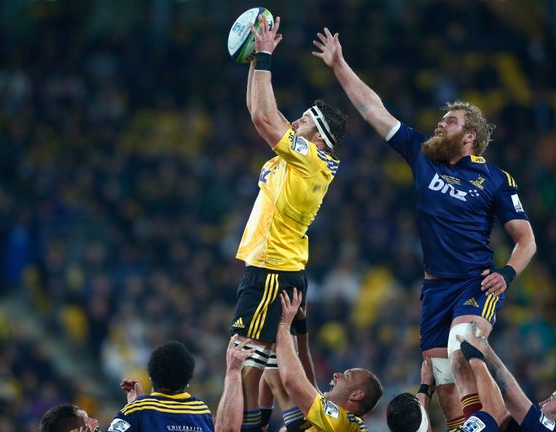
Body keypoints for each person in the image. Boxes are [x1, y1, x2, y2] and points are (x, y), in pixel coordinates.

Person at [312, 27, 537, 429]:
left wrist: (506, 274)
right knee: (446, 383)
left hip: (473, 281)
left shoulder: (497, 180)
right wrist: (339, 65)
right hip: (435, 288)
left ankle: (496, 424)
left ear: (470, 137)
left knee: (463, 347)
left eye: (449, 121)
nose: (439, 123)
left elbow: (526, 240)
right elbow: (372, 110)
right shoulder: (422, 155)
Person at [230, 14, 347, 432]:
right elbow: (258, 110)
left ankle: (245, 428)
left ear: (320, 137)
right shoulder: (302, 157)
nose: (295, 120)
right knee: (266, 365)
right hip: (283, 267)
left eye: (305, 121)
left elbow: (266, 119)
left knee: (243, 359)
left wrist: (263, 55)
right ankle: (267, 425)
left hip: (272, 270)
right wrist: (252, 60)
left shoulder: (312, 161)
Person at [277, 289, 384, 432]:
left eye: (347, 376)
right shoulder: (333, 419)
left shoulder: (344, 423)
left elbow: (292, 381)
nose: (336, 375)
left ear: (356, 395)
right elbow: (309, 382)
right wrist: (301, 327)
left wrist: (284, 326)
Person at [461, 323, 556, 432]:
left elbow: (508, 390)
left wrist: (475, 355)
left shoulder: (549, 430)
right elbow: (499, 410)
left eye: (551, 399)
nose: (542, 402)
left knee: (488, 417)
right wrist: (484, 347)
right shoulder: (532, 429)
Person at [110, 341, 214, 432]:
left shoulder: (137, 411)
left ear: (151, 377)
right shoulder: (203, 413)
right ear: (187, 381)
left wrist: (137, 407)